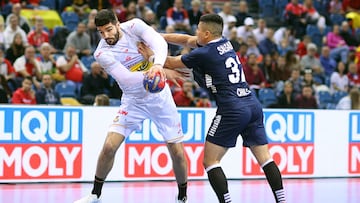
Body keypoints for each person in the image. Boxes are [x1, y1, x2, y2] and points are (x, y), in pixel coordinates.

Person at [140, 14, 286, 203]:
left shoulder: (204, 53)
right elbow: (186, 40)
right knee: (265, 158)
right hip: (252, 104)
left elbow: (170, 62)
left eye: (198, 30)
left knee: (210, 161)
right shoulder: (226, 42)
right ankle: (282, 200)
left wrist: (149, 54)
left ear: (207, 34)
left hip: (232, 108)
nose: (195, 33)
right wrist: (159, 36)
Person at [74, 9, 188, 203]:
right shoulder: (102, 52)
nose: (106, 35)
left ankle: (182, 197)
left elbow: (160, 42)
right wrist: (154, 69)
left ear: (118, 23)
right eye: (101, 32)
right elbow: (126, 79)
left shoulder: (134, 26)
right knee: (109, 146)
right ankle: (95, 194)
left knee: (176, 151)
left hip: (161, 99)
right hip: (133, 101)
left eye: (109, 29)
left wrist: (157, 65)